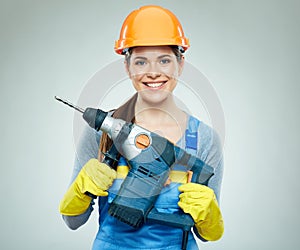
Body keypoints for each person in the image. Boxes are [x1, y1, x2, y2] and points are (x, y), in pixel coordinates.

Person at [59, 5, 224, 250]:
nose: (153, 72)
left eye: (164, 60)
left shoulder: (203, 138)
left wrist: (209, 215)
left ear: (180, 64)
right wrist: (81, 190)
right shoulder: (101, 135)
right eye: (141, 62)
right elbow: (73, 222)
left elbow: (206, 235)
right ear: (127, 67)